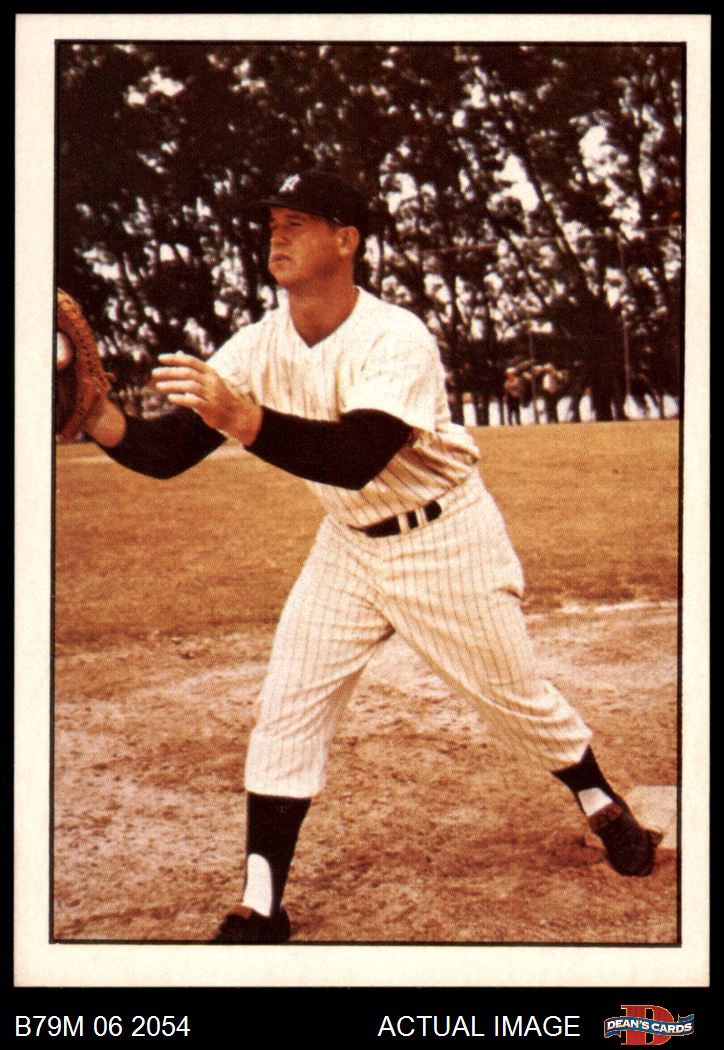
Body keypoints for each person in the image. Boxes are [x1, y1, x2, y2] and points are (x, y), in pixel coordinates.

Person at [75, 170, 659, 944]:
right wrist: (97, 415)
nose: (277, 235)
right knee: (289, 704)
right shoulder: (256, 344)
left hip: (444, 538)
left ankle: (600, 803)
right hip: (348, 546)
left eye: (298, 222)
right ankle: (262, 903)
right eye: (273, 224)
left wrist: (246, 421)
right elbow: (165, 453)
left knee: (514, 697)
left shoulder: (396, 336)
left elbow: (355, 457)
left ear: (346, 240)